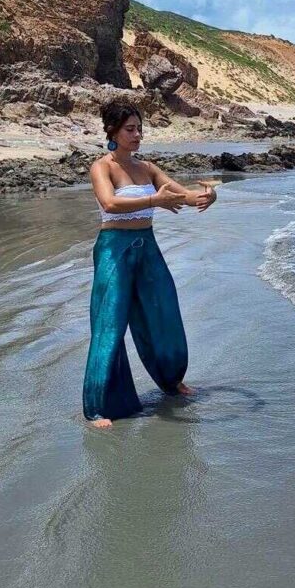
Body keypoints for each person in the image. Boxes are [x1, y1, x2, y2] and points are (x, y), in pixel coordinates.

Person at [82, 99, 217, 428]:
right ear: (112, 130)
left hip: (148, 249)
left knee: (164, 313)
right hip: (115, 250)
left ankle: (172, 381)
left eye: (139, 129)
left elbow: (183, 195)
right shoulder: (103, 167)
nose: (137, 134)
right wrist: (155, 200)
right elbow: (110, 204)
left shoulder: (148, 168)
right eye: (130, 129)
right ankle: (99, 406)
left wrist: (208, 196)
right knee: (109, 324)